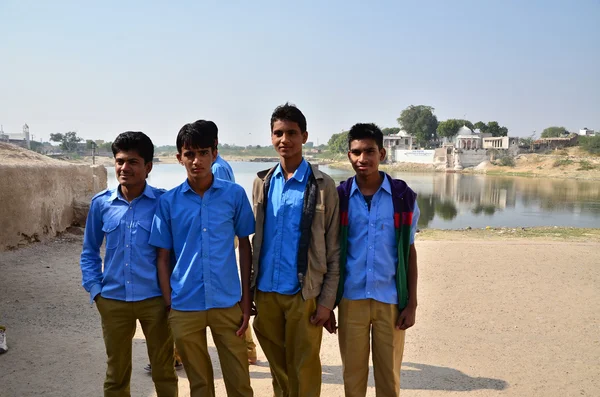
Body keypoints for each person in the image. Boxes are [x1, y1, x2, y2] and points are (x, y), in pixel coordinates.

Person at [149, 120, 254, 397]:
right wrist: (169, 301)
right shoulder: (169, 202)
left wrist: (246, 299)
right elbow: (162, 255)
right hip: (185, 305)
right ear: (179, 158)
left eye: (204, 152)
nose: (197, 161)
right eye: (189, 154)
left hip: (227, 302)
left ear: (215, 153)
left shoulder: (234, 195)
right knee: (200, 385)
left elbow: (245, 246)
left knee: (240, 383)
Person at [80, 131, 178, 397]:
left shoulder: (163, 202)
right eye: (120, 161)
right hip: (113, 300)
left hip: (155, 301)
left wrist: (172, 296)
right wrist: (95, 290)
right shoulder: (101, 204)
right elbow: (89, 251)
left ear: (148, 167)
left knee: (163, 371)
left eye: (133, 162)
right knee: (116, 374)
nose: (125, 168)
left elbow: (174, 253)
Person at [251, 103, 340, 397]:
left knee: (305, 369)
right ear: (271, 136)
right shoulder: (262, 182)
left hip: (303, 293)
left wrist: (327, 302)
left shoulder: (324, 186)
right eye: (278, 133)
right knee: (279, 370)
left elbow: (334, 249)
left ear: (304, 136)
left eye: (291, 133)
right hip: (265, 292)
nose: (284, 140)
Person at [328, 123, 420, 397]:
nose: (362, 159)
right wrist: (327, 302)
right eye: (356, 152)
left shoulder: (403, 197)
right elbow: (330, 251)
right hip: (351, 299)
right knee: (352, 377)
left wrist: (412, 303)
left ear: (382, 153)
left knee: (389, 377)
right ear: (349, 156)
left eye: (369, 151)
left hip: (390, 300)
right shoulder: (339, 197)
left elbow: (409, 252)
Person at [203, 119, 258, 365]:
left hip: (219, 237)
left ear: (214, 145)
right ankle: (247, 348)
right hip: (219, 235)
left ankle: (246, 348)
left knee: (225, 291)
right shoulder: (220, 165)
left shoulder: (216, 169)